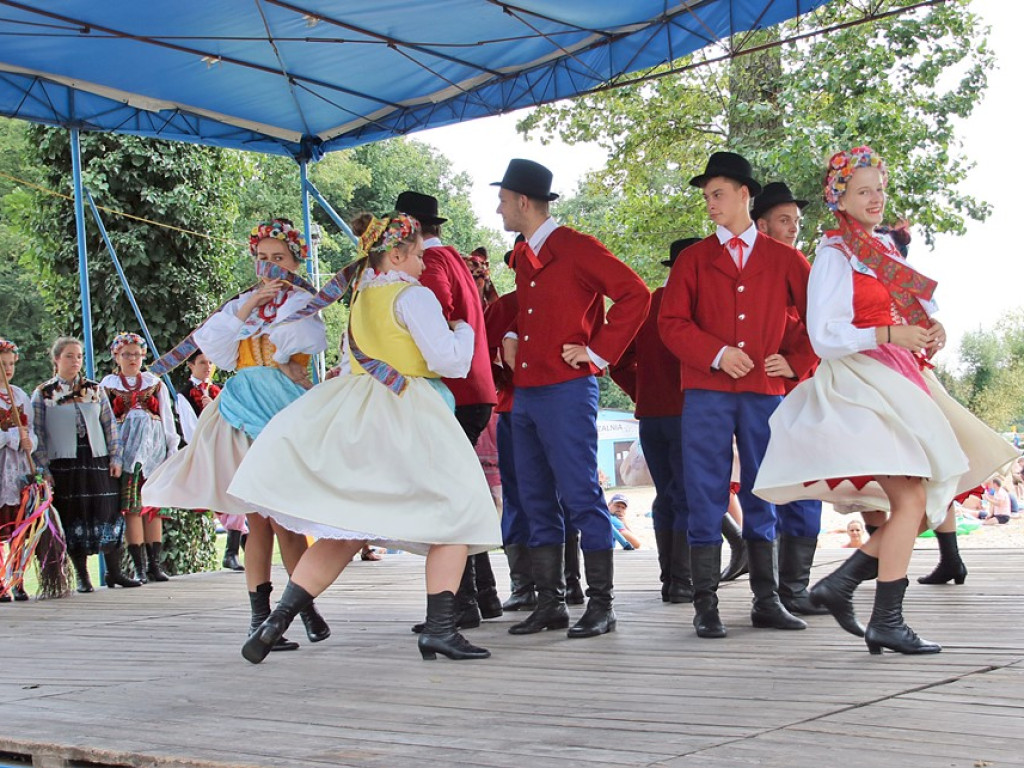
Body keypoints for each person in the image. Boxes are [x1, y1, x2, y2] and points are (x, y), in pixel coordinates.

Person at [753, 146, 1017, 654]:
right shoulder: (834, 254)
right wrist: (889, 332)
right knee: (915, 498)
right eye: (863, 190)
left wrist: (929, 328)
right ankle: (880, 614)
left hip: (900, 378)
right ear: (841, 198)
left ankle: (848, 586)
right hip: (861, 384)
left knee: (923, 501)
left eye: (879, 188)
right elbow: (825, 336)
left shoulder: (881, 251)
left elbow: (907, 313)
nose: (875, 198)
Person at [229, 211, 501, 663]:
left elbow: (347, 359)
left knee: (349, 526)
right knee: (459, 512)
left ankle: (276, 621)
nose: (421, 264)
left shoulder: (359, 299)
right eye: (416, 255)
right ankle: (439, 628)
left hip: (357, 415)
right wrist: (465, 330)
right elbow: (449, 362)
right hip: (409, 411)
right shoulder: (413, 297)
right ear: (395, 254)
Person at [143, 218, 331, 653]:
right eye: (263, 259)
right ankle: (262, 617)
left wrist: (271, 324)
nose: (269, 267)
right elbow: (217, 349)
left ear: (295, 260)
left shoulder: (302, 302)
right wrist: (249, 307)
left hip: (281, 407)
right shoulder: (242, 303)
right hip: (241, 404)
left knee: (286, 515)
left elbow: (294, 344)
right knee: (256, 517)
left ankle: (300, 608)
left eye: (278, 259)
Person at [659, 151, 815, 639]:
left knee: (763, 488)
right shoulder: (692, 259)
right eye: (706, 196)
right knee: (704, 489)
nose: (710, 203)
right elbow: (671, 323)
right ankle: (705, 604)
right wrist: (716, 353)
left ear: (745, 194)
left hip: (764, 390)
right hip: (707, 391)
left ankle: (766, 600)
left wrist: (795, 361)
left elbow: (819, 317)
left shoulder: (786, 258)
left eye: (718, 194)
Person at [495, 158, 650, 639]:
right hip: (527, 392)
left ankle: (602, 606)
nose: (498, 209)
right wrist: (515, 335)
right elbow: (536, 310)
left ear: (523, 202)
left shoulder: (577, 247)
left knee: (582, 494)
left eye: (502, 200)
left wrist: (599, 352)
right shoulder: (523, 252)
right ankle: (550, 604)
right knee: (535, 498)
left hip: (566, 389)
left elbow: (635, 294)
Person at [394, 191, 501, 631]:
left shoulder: (432, 266)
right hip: (476, 389)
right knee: (459, 491)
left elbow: (431, 320)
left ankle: (461, 603)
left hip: (455, 391)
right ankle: (479, 598)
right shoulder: (455, 258)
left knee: (449, 497)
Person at [750, 181, 828, 617]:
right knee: (769, 487)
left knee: (805, 489)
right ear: (761, 224)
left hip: (801, 390)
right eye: (784, 220)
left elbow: (824, 322)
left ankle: (793, 589)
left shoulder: (799, 264)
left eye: (796, 222)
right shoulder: (749, 269)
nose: (793, 228)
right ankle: (770, 594)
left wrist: (796, 361)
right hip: (760, 397)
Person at [611, 237, 699, 602]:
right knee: (687, 497)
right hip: (691, 413)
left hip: (652, 417)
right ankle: (683, 580)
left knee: (666, 495)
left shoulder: (648, 304)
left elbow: (616, 361)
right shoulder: (700, 307)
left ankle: (671, 579)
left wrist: (642, 392)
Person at [32, 337, 138, 591]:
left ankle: (115, 571)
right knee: (73, 513)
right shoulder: (44, 393)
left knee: (106, 509)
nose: (75, 361)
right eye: (69, 356)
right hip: (64, 462)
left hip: (97, 458)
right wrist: (43, 469)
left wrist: (116, 457)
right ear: (56, 359)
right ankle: (83, 576)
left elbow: (109, 425)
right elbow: (37, 433)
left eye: (78, 356)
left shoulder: (94, 389)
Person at [100, 333, 178, 584]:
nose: (132, 358)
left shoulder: (154, 383)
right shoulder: (108, 385)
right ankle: (139, 566)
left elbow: (167, 418)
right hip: (127, 453)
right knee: (133, 509)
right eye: (126, 354)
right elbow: (106, 421)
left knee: (152, 507)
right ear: (116, 356)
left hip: (154, 453)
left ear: (143, 355)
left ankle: (155, 565)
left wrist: (171, 451)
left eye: (136, 354)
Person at [179, 351, 245, 572]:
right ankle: (240, 543)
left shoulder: (219, 390)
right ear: (191, 365)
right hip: (205, 449)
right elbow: (189, 427)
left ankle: (234, 550)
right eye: (202, 363)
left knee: (236, 494)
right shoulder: (185, 393)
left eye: (210, 362)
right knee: (219, 499)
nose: (207, 367)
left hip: (226, 448)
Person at [0, 337, 36, 602]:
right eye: (3, 364)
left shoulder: (20, 394)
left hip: (18, 467)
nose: (8, 368)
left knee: (19, 524)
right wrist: (12, 437)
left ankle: (18, 577)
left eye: (11, 363)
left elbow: (31, 430)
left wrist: (29, 441)